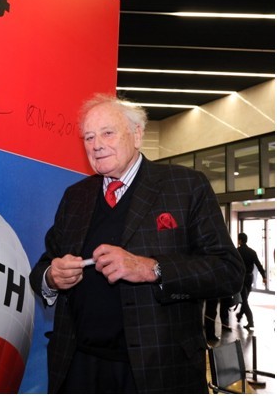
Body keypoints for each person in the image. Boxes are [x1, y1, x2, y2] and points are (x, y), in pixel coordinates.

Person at [29, 94, 245, 393]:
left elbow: (228, 271)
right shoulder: (75, 196)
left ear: (137, 135)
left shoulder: (185, 186)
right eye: (89, 137)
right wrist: (52, 277)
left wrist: (152, 269)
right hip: (78, 366)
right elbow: (43, 266)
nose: (96, 144)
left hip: (159, 369)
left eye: (108, 133)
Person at [236, 232, 267, 330]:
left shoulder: (237, 251)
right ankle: (239, 315)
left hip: (241, 278)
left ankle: (251, 321)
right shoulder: (252, 252)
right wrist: (264, 276)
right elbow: (258, 265)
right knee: (244, 298)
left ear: (240, 240)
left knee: (244, 300)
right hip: (250, 278)